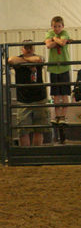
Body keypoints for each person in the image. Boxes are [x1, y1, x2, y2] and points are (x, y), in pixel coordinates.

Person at [7, 40, 49, 146]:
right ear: (22, 49)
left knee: (39, 130)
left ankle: (36, 154)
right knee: (23, 130)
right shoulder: (18, 60)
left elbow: (39, 59)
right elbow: (11, 60)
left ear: (33, 48)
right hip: (24, 100)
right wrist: (28, 61)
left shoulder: (37, 58)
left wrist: (23, 61)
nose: (29, 49)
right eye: (26, 47)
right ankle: (26, 155)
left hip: (39, 98)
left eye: (30, 47)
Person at [44, 15, 71, 143]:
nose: (56, 28)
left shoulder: (64, 33)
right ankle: (57, 116)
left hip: (64, 66)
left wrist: (55, 39)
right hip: (54, 67)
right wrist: (55, 39)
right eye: (54, 26)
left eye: (59, 26)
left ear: (63, 26)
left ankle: (63, 116)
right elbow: (48, 45)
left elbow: (62, 42)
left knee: (65, 92)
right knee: (56, 93)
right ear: (51, 26)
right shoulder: (50, 33)